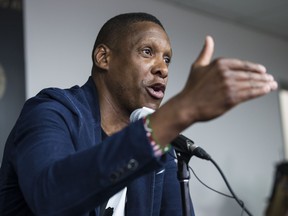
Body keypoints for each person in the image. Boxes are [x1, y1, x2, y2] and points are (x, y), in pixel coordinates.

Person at [0, 12, 277, 216]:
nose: (163, 69)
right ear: (103, 58)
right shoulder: (51, 112)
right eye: (147, 52)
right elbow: (52, 197)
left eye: (167, 59)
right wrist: (181, 110)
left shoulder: (161, 149)